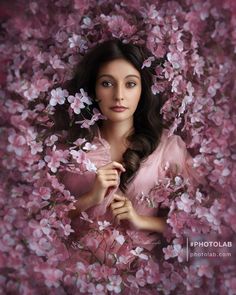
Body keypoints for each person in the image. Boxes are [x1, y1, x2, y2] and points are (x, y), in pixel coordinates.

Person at [55, 39, 201, 273]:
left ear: (143, 90)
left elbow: (196, 225)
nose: (119, 95)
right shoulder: (69, 150)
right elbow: (42, 220)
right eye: (107, 83)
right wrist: (90, 198)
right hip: (73, 273)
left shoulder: (167, 149)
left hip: (143, 276)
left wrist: (141, 221)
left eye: (130, 84)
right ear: (93, 89)